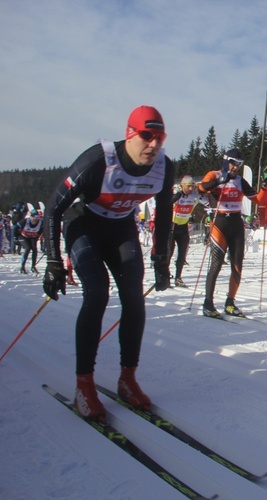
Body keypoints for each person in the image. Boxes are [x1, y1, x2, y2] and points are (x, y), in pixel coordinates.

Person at [42, 105, 174, 423]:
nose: (153, 144)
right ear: (130, 134)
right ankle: (84, 386)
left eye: (160, 137)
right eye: (146, 135)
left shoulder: (163, 167)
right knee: (97, 293)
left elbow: (166, 213)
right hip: (85, 224)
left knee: (133, 297)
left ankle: (127, 380)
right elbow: (52, 208)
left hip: (121, 228)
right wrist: (53, 261)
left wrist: (161, 259)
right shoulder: (98, 160)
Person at [197, 148, 258, 318]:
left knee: (237, 265)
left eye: (239, 164)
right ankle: (208, 303)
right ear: (226, 161)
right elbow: (201, 189)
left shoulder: (240, 180)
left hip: (236, 223)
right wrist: (219, 181)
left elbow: (257, 198)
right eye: (233, 163)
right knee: (216, 264)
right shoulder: (214, 175)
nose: (236, 167)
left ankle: (230, 302)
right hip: (220, 222)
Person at [170, 175, 209, 287]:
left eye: (192, 186)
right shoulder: (177, 194)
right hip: (172, 227)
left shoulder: (194, 196)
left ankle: (178, 277)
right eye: (188, 186)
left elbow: (207, 202)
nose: (191, 189)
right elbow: (167, 203)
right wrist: (175, 197)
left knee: (182, 255)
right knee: (169, 253)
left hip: (183, 228)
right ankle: (165, 274)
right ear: (182, 185)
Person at [16, 208, 43, 274]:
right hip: (23, 236)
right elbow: (15, 228)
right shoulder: (25, 221)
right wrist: (15, 237)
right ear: (31, 216)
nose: (35, 218)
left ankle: (33, 266)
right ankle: (22, 267)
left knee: (34, 249)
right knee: (28, 248)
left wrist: (38, 235)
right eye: (34, 216)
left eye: (37, 216)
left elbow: (42, 229)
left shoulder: (40, 222)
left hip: (32, 237)